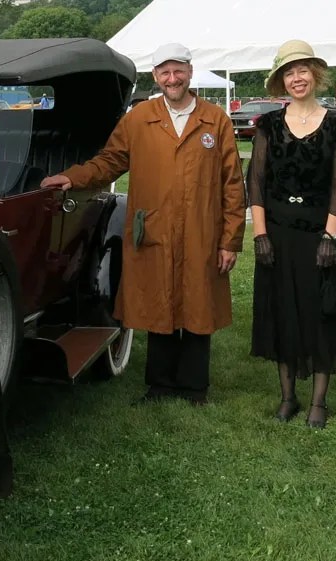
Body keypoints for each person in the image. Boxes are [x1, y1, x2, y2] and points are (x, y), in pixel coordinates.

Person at [41, 43, 246, 405]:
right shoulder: (140, 118)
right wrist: (73, 177)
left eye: (178, 70)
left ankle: (195, 387)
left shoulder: (215, 119)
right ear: (156, 77)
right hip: (156, 227)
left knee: (198, 303)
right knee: (159, 301)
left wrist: (230, 240)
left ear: (190, 72)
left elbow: (232, 184)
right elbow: (109, 161)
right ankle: (160, 384)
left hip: (202, 230)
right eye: (165, 72)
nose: (172, 78)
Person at [247, 40, 336, 429]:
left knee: (320, 313)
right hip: (278, 234)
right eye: (289, 72)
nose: (296, 78)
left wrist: (330, 238)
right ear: (281, 80)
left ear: (315, 74)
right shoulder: (267, 125)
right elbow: (257, 184)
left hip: (320, 232)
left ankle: (318, 401)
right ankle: (287, 397)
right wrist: (260, 236)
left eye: (302, 70)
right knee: (282, 310)